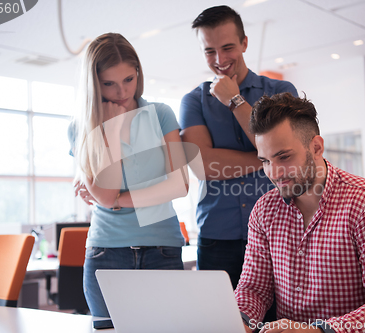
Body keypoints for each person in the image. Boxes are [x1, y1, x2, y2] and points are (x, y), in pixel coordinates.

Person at [235, 92, 365, 333]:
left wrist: (317, 331)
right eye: (265, 161)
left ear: (316, 147)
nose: (274, 173)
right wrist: (241, 322)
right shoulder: (264, 211)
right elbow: (254, 288)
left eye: (284, 157)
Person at [68, 33, 189, 317]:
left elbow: (180, 185)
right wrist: (110, 130)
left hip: (163, 248)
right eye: (109, 84)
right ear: (93, 84)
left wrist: (119, 200)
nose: (122, 92)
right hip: (106, 252)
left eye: (128, 80)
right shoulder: (79, 128)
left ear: (138, 73)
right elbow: (106, 196)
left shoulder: (160, 115)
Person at [179, 5, 298, 290]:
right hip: (217, 237)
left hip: (279, 232)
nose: (219, 59)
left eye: (228, 47)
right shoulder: (193, 101)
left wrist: (235, 101)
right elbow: (202, 165)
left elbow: (290, 152)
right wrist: (270, 158)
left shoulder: (281, 92)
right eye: (209, 51)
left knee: (278, 325)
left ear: (244, 43)